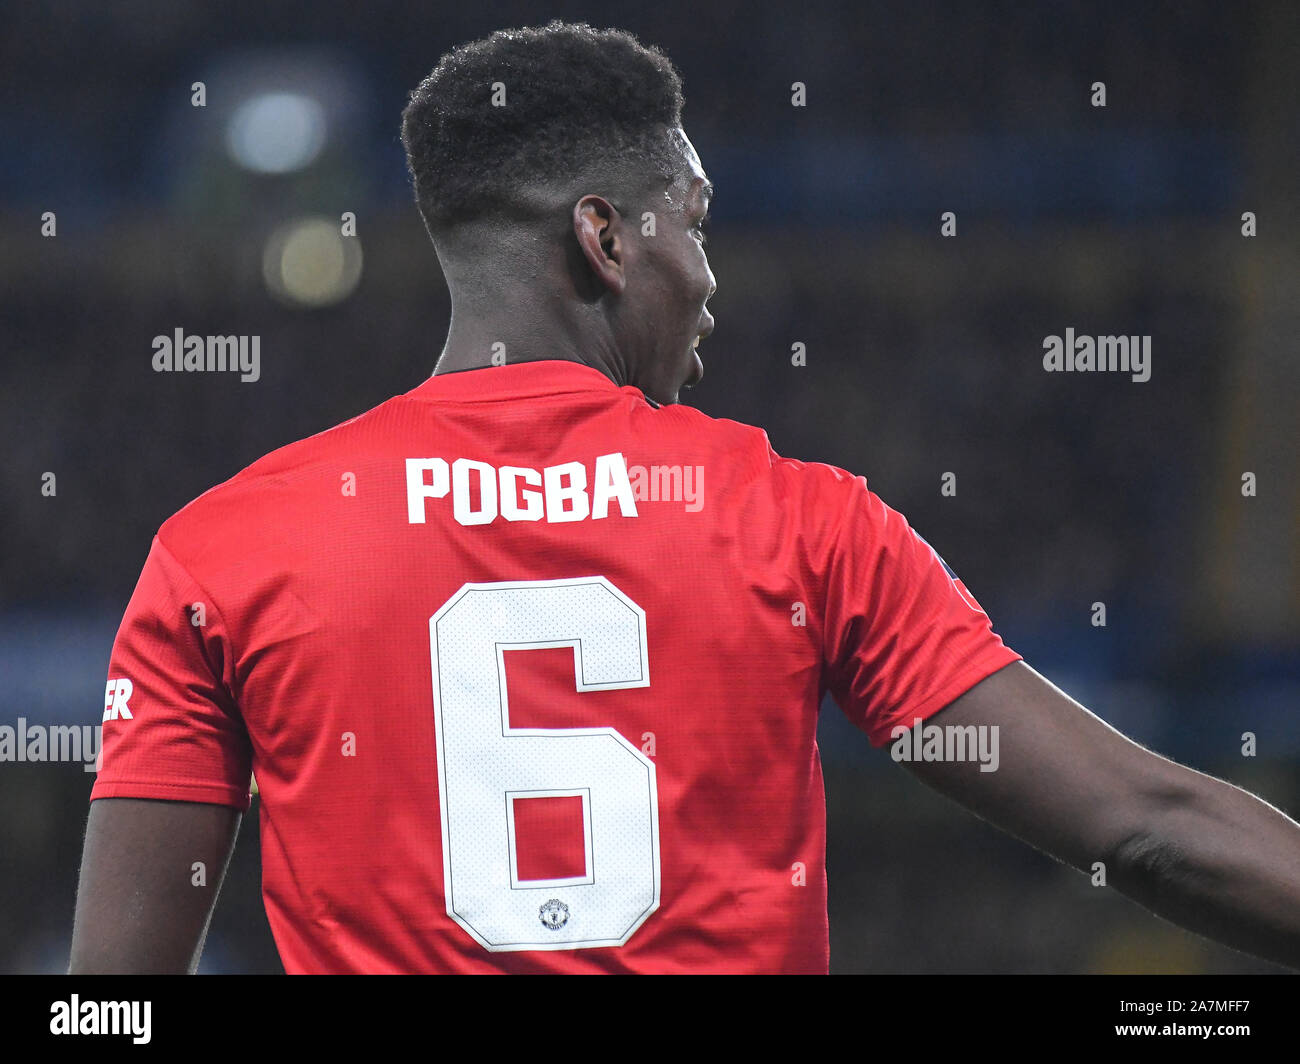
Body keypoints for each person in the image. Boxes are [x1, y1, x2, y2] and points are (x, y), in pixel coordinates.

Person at [71, 20, 1300, 974]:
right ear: (606, 238)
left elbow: (111, 994)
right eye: (697, 228)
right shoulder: (800, 520)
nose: (710, 282)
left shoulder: (222, 549)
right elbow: (1144, 824)